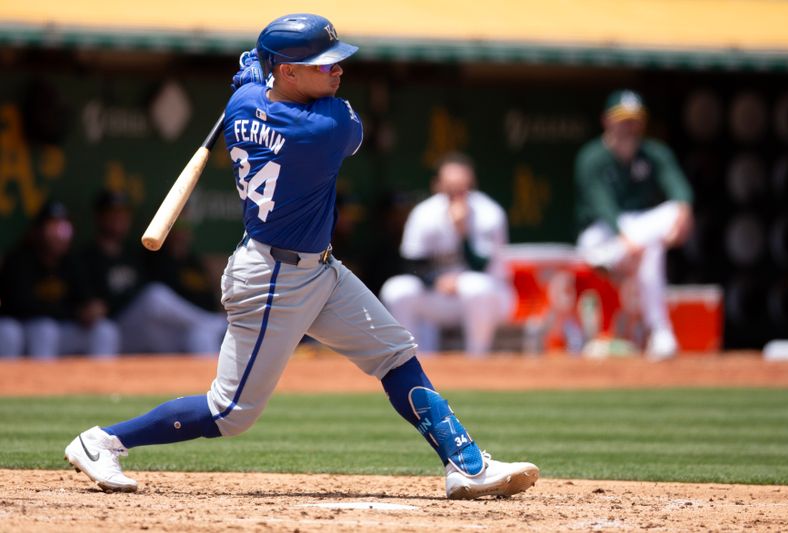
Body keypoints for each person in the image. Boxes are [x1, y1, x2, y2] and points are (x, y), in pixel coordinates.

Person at [64, 13, 538, 500]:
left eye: (335, 63)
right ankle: (102, 441)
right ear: (287, 72)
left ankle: (465, 465)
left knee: (395, 353)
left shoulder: (243, 101)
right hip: (272, 278)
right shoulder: (325, 127)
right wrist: (256, 70)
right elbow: (320, 117)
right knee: (230, 414)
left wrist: (255, 75)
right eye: (321, 64)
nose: (336, 71)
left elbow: (256, 91)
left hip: (319, 268)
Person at [574, 89, 694, 360]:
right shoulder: (592, 157)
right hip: (600, 236)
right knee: (648, 244)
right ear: (607, 120)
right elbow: (601, 205)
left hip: (638, 233)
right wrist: (625, 240)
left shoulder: (654, 153)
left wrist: (684, 213)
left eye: (634, 120)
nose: (629, 127)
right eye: (622, 119)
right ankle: (662, 331)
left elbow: (679, 191)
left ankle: (661, 334)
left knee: (660, 232)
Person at [380, 153, 513, 357]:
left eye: (462, 187)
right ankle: (409, 361)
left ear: (472, 184)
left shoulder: (489, 213)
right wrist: (435, 280)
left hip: (489, 296)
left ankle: (478, 359)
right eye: (451, 187)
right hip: (440, 294)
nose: (457, 193)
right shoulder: (424, 213)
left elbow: (482, 267)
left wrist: (463, 233)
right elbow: (410, 263)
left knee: (475, 286)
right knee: (397, 289)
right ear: (438, 185)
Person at [81, 189, 227, 354]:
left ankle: (210, 377)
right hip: (113, 328)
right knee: (154, 296)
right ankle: (216, 324)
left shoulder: (131, 255)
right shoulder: (88, 257)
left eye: (123, 213)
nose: (118, 218)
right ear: (99, 216)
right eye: (113, 213)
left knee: (199, 336)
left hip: (143, 330)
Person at [0, 201, 118, 358]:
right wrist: (75, 312)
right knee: (43, 329)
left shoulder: (71, 261)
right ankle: (35, 382)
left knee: (105, 330)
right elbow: (21, 307)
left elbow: (85, 299)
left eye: (64, 229)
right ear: (39, 231)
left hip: (61, 328)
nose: (59, 235)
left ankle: (102, 381)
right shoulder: (20, 260)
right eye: (53, 228)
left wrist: (91, 309)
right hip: (26, 330)